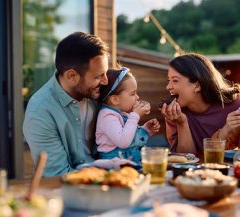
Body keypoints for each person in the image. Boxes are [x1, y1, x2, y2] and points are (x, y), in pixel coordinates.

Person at [23, 32, 132, 177]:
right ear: (72, 76)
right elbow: (58, 175)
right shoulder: (41, 111)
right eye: (99, 76)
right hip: (68, 191)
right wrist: (108, 176)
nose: (106, 81)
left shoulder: (96, 92)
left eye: (105, 73)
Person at [160, 53, 240, 156]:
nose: (168, 87)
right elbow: (185, 159)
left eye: (175, 80)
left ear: (197, 85)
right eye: (169, 80)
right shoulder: (174, 114)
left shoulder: (238, 105)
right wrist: (182, 123)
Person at [96, 67, 160, 164]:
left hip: (128, 163)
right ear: (115, 100)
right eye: (133, 93)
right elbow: (123, 141)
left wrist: (146, 129)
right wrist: (135, 115)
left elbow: (129, 136)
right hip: (114, 168)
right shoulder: (107, 117)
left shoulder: (121, 114)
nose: (137, 97)